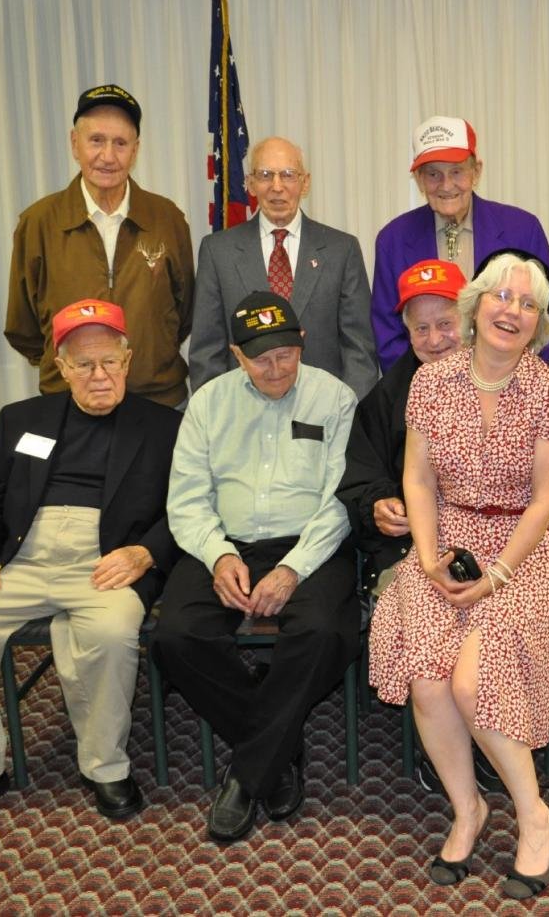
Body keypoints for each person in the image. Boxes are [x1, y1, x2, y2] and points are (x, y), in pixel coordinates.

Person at [0, 299, 181, 831]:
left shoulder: (166, 425)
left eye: (109, 361)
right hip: (22, 556)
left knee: (109, 632)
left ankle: (105, 766)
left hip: (108, 559)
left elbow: (186, 508)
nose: (99, 375)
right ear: (61, 368)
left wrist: (146, 552)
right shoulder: (20, 419)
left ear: (128, 360)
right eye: (83, 365)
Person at [368, 252, 549, 899]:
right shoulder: (431, 383)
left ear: (540, 322)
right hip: (447, 542)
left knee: (472, 680)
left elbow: (547, 501)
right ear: (476, 305)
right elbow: (417, 479)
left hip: (524, 550)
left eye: (527, 303)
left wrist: (496, 576)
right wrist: (429, 556)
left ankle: (532, 812)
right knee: (429, 680)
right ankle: (468, 810)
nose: (512, 310)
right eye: (501, 296)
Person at [154, 290, 359, 844]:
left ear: (303, 344)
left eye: (286, 354)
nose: (276, 369)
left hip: (311, 543)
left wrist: (292, 568)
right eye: (260, 358)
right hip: (225, 541)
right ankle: (278, 749)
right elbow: (186, 499)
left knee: (324, 632)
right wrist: (218, 554)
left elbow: (340, 500)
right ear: (236, 355)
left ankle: (247, 775)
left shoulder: (335, 399)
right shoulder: (208, 403)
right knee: (177, 636)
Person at [5, 84, 195, 407]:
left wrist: (149, 355)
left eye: (120, 143)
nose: (108, 156)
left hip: (158, 402)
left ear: (135, 150)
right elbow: (24, 328)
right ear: (74, 143)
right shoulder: (38, 223)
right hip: (69, 404)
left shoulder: (167, 219)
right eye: (96, 140)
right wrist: (75, 370)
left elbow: (186, 312)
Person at [188, 136, 377, 399]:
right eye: (265, 175)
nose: (277, 187)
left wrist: (350, 413)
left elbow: (360, 349)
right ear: (250, 183)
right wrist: (218, 414)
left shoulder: (341, 250)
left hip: (323, 409)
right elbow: (206, 351)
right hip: (243, 410)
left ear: (305, 182)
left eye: (288, 175)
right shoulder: (217, 252)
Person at [370, 115, 549, 371]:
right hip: (426, 386)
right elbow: (388, 334)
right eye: (433, 174)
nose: (446, 185)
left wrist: (509, 380)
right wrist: (430, 386)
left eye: (456, 171)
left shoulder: (523, 230)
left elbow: (545, 318)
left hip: (510, 382)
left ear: (476, 171)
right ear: (419, 179)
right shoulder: (393, 240)